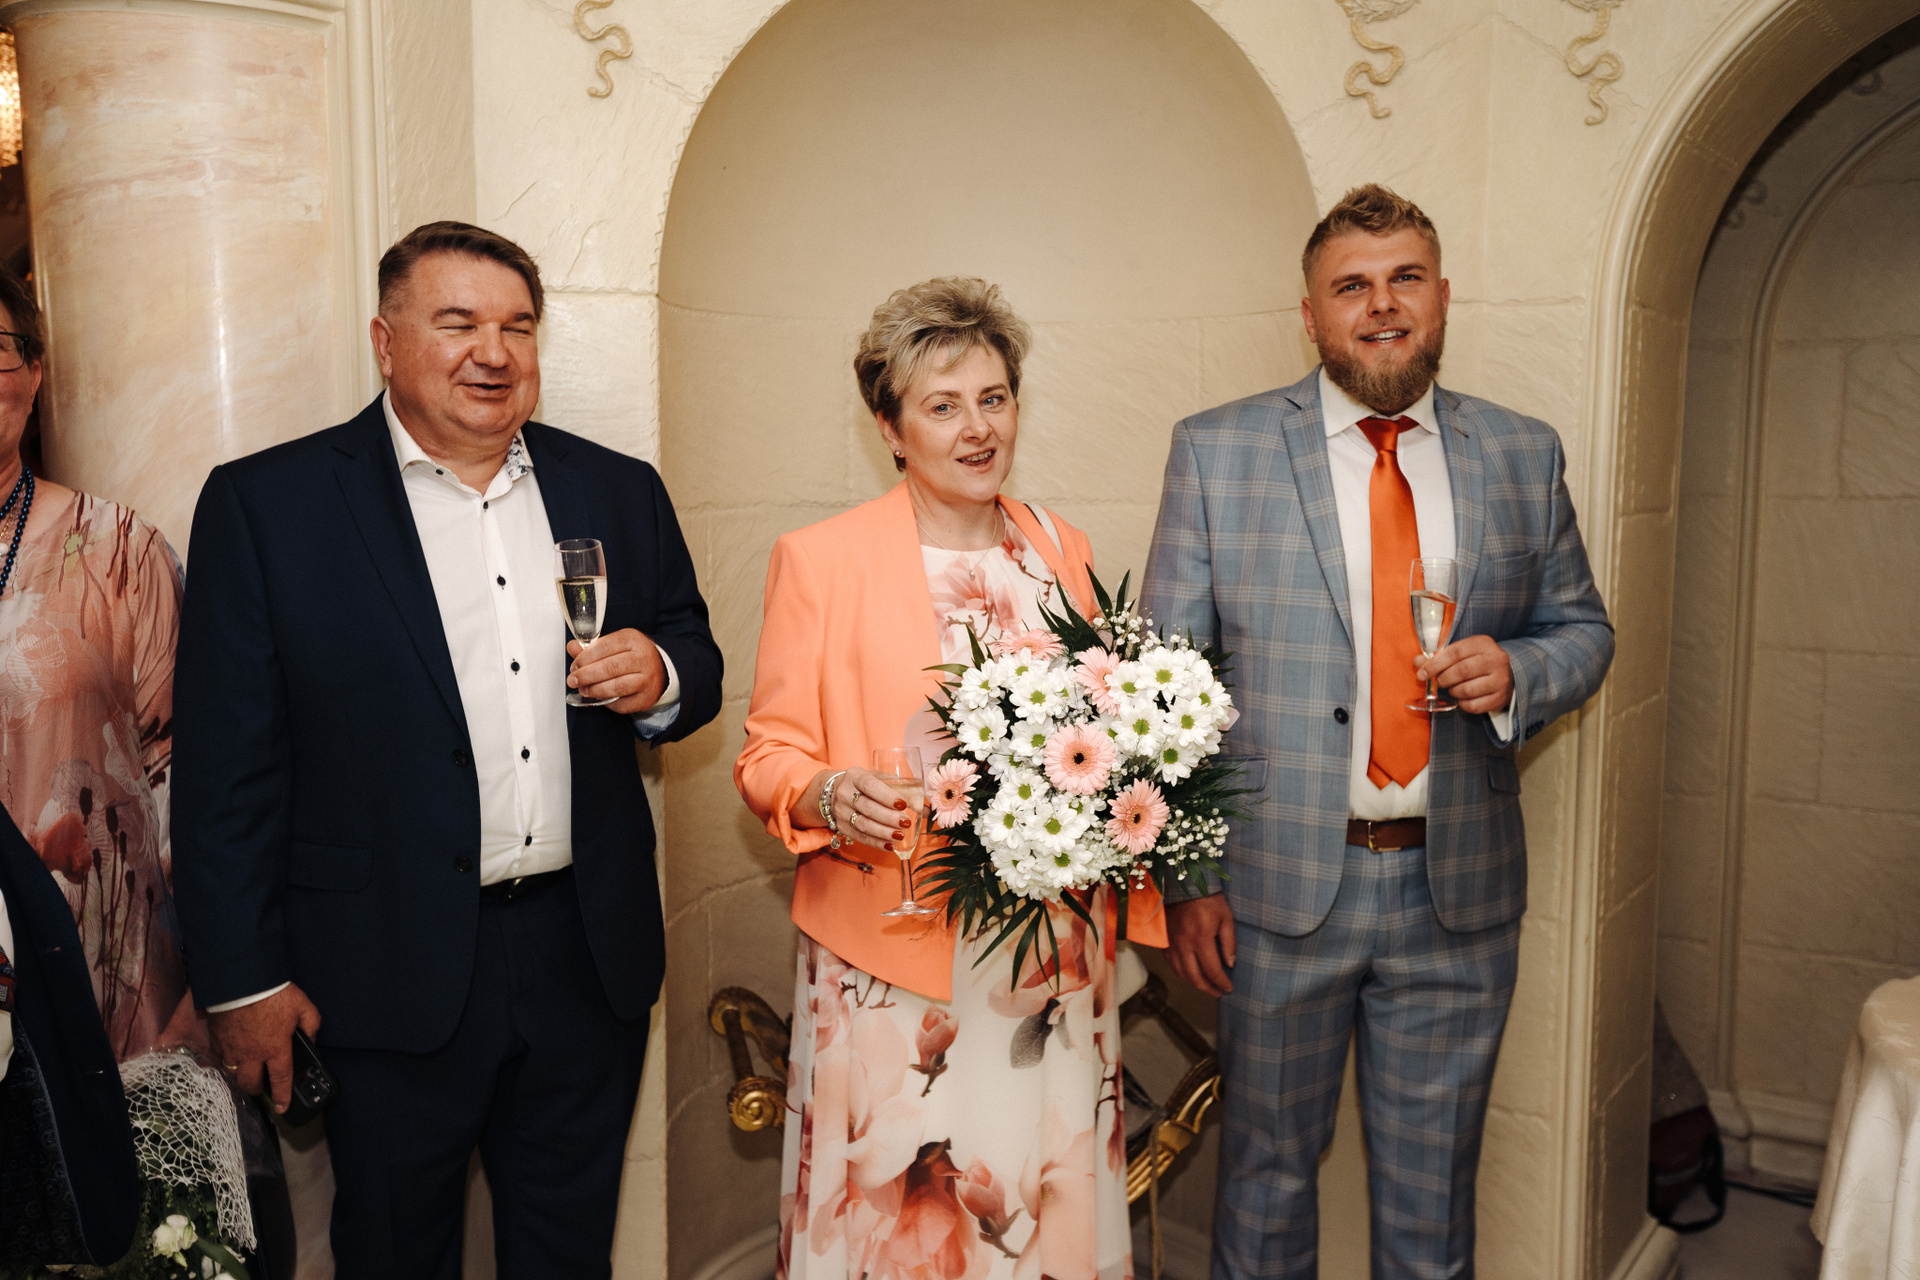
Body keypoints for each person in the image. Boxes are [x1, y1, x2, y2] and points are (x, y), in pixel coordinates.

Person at [171, 221, 722, 1277]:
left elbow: (692, 645)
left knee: (567, 1256)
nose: (494, 353)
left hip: (584, 958)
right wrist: (242, 982)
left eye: (518, 326)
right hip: (379, 966)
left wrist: (661, 672)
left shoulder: (615, 486)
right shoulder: (270, 505)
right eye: (458, 323)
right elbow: (223, 772)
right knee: (392, 1253)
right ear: (386, 342)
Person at [1142, 185, 1614, 1279]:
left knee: (1432, 1198)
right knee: (1263, 1180)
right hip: (1272, 896)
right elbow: (1168, 683)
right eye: (1351, 286)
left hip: (1457, 894)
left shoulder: (1521, 452)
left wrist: (1520, 669)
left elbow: (1584, 629)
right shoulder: (1217, 451)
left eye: (1405, 279)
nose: (1382, 304)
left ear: (1443, 298)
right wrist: (1190, 881)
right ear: (1310, 315)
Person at [736, 277, 1167, 1280]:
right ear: (890, 428)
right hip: (895, 954)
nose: (977, 428)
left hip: (1051, 953)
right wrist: (827, 794)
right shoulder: (820, 560)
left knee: (1037, 1206)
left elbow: (1105, 728)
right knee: (910, 1214)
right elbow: (767, 754)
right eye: (942, 405)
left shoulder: (1060, 549)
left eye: (993, 398)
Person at [0, 267, 199, 1065]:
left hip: (100, 983)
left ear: (35, 373)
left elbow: (188, 775)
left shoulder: (121, 553)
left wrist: (206, 994)